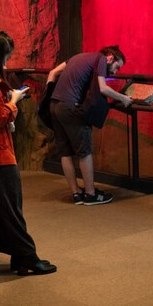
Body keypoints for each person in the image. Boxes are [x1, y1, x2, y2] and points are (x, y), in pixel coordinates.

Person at [0, 32, 56, 276]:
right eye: (6, 57)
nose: (7, 63)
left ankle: (20, 257)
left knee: (5, 206)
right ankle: (26, 255)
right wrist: (13, 102)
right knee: (10, 206)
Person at [47, 46, 133, 205]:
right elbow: (103, 88)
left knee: (65, 152)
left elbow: (53, 73)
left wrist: (49, 96)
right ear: (110, 58)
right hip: (70, 108)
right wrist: (123, 98)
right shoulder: (100, 59)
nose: (115, 72)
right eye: (117, 67)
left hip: (54, 105)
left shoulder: (77, 56)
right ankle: (91, 194)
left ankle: (76, 193)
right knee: (84, 151)